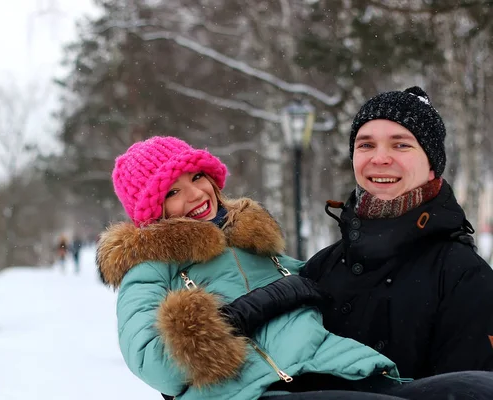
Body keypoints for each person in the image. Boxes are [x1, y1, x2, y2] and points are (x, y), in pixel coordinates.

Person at [227, 86, 493, 398]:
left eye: (401, 145)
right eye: (366, 145)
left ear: (432, 164)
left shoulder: (463, 276)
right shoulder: (322, 267)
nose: (380, 158)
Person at [96, 136, 406, 400]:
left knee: (454, 387)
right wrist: (230, 319)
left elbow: (322, 282)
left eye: (196, 177)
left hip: (333, 370)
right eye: (172, 192)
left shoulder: (251, 242)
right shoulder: (149, 269)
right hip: (254, 391)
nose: (195, 195)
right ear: (154, 211)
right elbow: (153, 362)